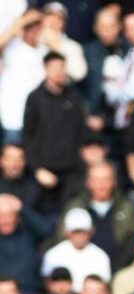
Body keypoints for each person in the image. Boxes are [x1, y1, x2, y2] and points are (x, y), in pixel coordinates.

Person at [22, 52, 86, 219]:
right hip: (43, 172)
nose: (58, 72)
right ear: (45, 69)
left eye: (61, 67)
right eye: (54, 68)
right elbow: (27, 136)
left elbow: (81, 131)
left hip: (71, 171)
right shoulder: (35, 98)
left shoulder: (74, 95)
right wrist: (37, 169)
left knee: (71, 214)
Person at [0, 10, 47, 145]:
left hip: (40, 121)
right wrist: (22, 21)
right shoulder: (12, 46)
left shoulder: (45, 50)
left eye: (37, 25)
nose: (34, 29)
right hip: (13, 118)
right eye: (30, 25)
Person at [41, 208, 111, 293]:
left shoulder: (101, 256)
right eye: (75, 232)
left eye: (83, 232)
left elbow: (104, 286)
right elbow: (47, 282)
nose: (79, 236)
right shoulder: (53, 255)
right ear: (66, 232)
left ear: (91, 232)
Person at [0, 193, 52, 294]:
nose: (6, 220)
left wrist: (22, 208)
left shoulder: (28, 233)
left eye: (9, 215)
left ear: (17, 216)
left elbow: (46, 230)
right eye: (2, 216)